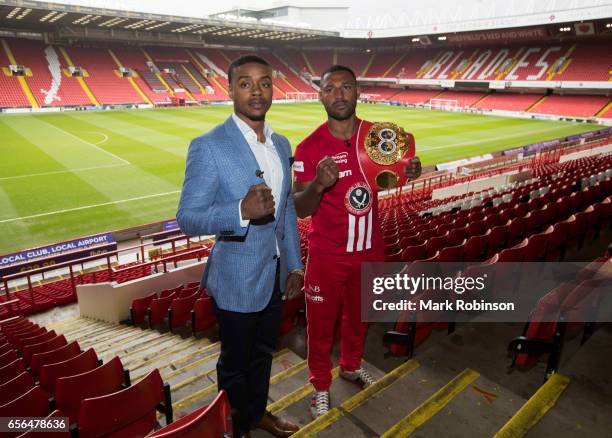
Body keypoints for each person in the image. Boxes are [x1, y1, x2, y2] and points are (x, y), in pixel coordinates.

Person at [177, 54, 303, 438]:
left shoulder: (281, 144)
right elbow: (188, 217)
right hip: (235, 281)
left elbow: (287, 211)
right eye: (245, 83)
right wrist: (240, 211)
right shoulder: (209, 146)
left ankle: (257, 413)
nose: (256, 91)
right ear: (230, 89)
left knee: (264, 354)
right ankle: (234, 427)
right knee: (234, 364)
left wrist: (295, 264)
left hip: (276, 275)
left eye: (264, 82)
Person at [292, 64, 422, 419]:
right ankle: (320, 385)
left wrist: (410, 170)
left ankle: (349, 366)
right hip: (326, 255)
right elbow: (299, 208)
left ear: (357, 91)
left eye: (346, 86)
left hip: (370, 251)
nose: (339, 94)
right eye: (330, 88)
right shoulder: (309, 147)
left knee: (358, 319)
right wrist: (318, 184)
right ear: (320, 95)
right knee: (320, 328)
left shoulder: (379, 137)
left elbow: (394, 174)